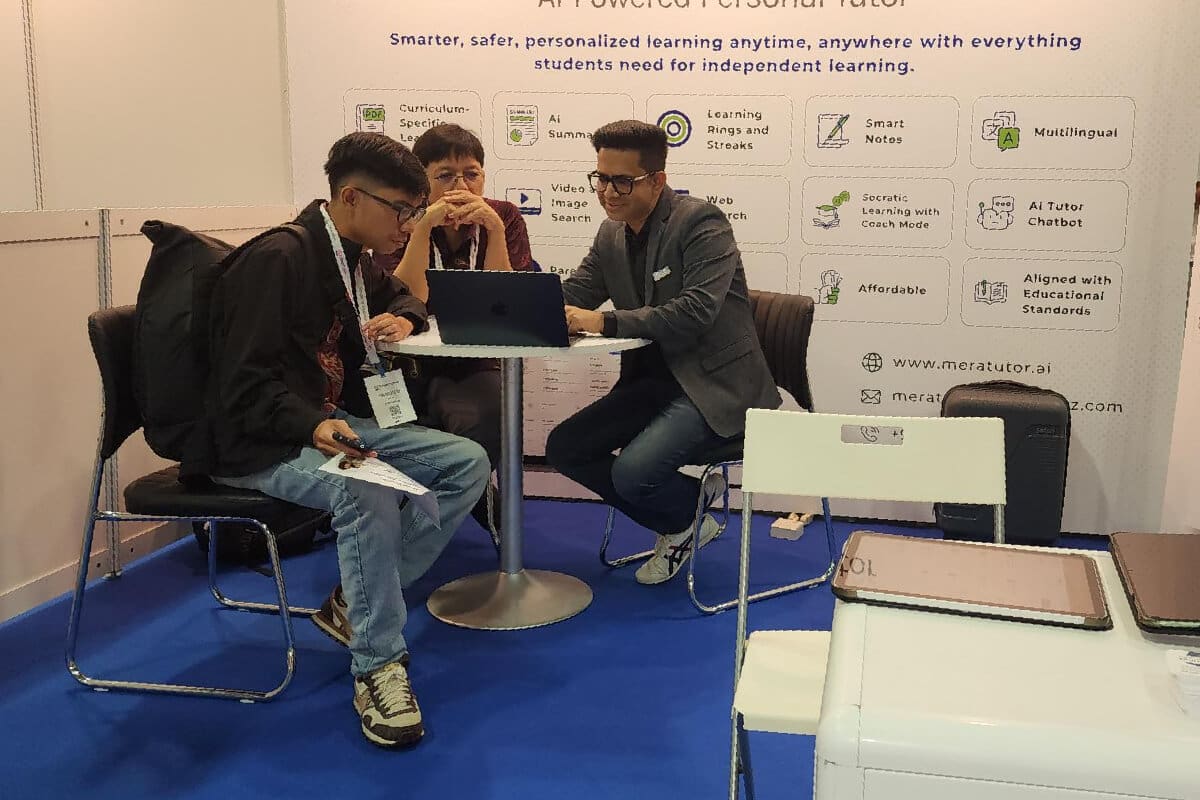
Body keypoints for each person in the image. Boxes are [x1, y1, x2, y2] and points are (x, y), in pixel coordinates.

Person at [204, 132, 490, 748]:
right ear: (351, 197)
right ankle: (378, 664)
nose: (408, 225)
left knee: (468, 461)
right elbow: (240, 386)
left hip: (326, 420)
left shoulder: (352, 255)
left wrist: (405, 317)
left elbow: (408, 296)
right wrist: (308, 424)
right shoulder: (279, 259)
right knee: (366, 491)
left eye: (415, 212)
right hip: (259, 441)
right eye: (401, 210)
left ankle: (351, 604)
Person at [545, 120, 781, 586]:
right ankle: (688, 514)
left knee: (633, 473)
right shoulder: (610, 234)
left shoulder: (701, 222)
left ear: (657, 180)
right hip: (651, 382)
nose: (607, 192)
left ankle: (682, 518)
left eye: (622, 181)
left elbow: (696, 311)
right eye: (600, 179)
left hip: (714, 385)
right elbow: (577, 292)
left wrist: (604, 322)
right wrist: (522, 304)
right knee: (565, 448)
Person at [375, 123, 536, 537]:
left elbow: (505, 303)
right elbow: (406, 297)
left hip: (474, 356)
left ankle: (452, 503)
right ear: (422, 181)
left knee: (489, 416)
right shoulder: (403, 219)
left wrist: (494, 231)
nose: (460, 186)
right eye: (445, 175)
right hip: (406, 360)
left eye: (471, 174)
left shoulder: (504, 216)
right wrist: (424, 227)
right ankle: (471, 502)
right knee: (388, 426)